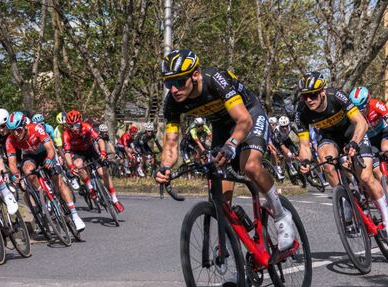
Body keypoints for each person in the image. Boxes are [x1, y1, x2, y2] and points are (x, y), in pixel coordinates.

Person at [156, 49, 295, 254]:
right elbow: (170, 144)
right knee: (220, 198)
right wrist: (165, 167)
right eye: (169, 83)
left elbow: (244, 120)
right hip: (221, 127)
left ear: (195, 75)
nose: (174, 89)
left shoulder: (215, 80)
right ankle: (233, 254)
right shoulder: (172, 104)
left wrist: (231, 145)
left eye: (179, 81)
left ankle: (281, 215)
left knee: (248, 165)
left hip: (249, 115)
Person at [296, 71, 388, 234]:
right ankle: (345, 200)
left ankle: (386, 217)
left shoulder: (336, 96)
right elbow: (304, 145)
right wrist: (304, 162)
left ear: (323, 92)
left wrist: (355, 142)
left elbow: (361, 122)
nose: (309, 100)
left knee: (366, 177)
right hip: (330, 137)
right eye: (305, 96)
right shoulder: (302, 111)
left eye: (313, 95)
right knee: (326, 162)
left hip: (352, 131)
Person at [5, 111, 85, 231]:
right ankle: (43, 194)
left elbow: (50, 148)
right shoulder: (10, 140)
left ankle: (75, 215)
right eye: (12, 131)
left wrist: (49, 159)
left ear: (25, 126)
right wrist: (15, 175)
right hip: (30, 156)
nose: (16, 133)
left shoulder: (36, 128)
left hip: (45, 153)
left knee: (58, 182)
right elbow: (12, 162)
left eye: (19, 129)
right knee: (27, 170)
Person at [62, 110, 124, 213]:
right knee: (78, 165)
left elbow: (99, 140)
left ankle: (115, 199)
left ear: (80, 122)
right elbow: (67, 153)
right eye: (71, 126)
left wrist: (103, 152)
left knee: (103, 173)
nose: (74, 128)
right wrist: (71, 167)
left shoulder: (86, 127)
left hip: (90, 149)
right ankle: (90, 188)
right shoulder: (66, 134)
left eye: (77, 125)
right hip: (78, 153)